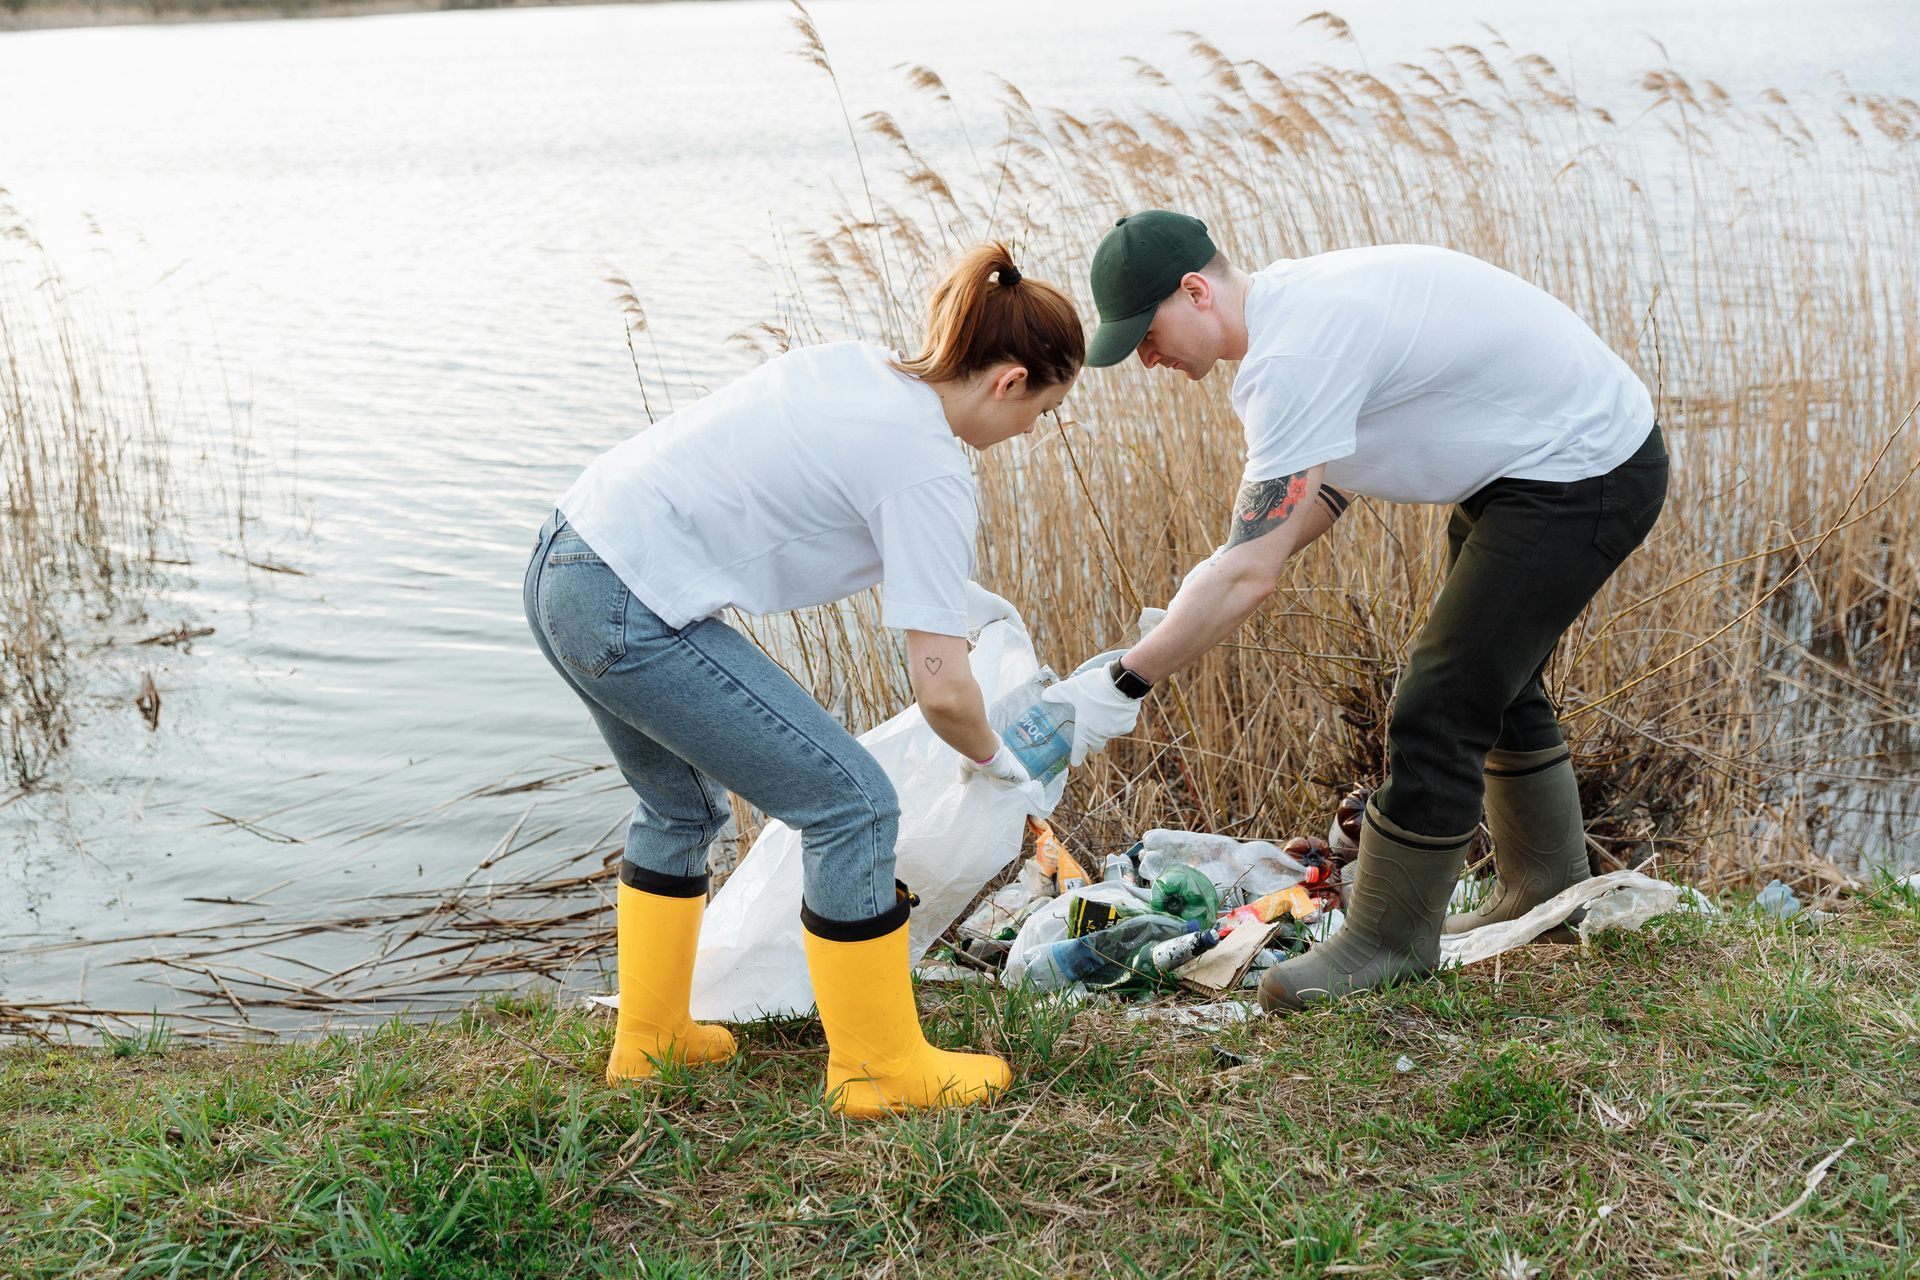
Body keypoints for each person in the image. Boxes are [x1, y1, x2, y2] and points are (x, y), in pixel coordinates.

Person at [1040, 211, 1668, 1012]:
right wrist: (1210, 582)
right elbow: (1315, 498)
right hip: (1529, 468)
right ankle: (1547, 886)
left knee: (1441, 698)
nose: (1147, 358)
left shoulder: (1291, 356)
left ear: (1195, 291)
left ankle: (1389, 941)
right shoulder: (1297, 312)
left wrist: (1126, 682)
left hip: (1583, 469)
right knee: (1490, 677)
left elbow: (1250, 575)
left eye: (1147, 334)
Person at [524, 243, 1083, 1114]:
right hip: (632, 603)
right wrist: (1000, 764)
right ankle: (879, 1069)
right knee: (853, 805)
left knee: (681, 808)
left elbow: (842, 519)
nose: (1033, 431)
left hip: (568, 561)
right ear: (1009, 381)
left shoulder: (856, 371)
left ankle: (650, 1040)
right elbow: (941, 687)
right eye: (1044, 410)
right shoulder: (931, 467)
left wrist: (969, 603)